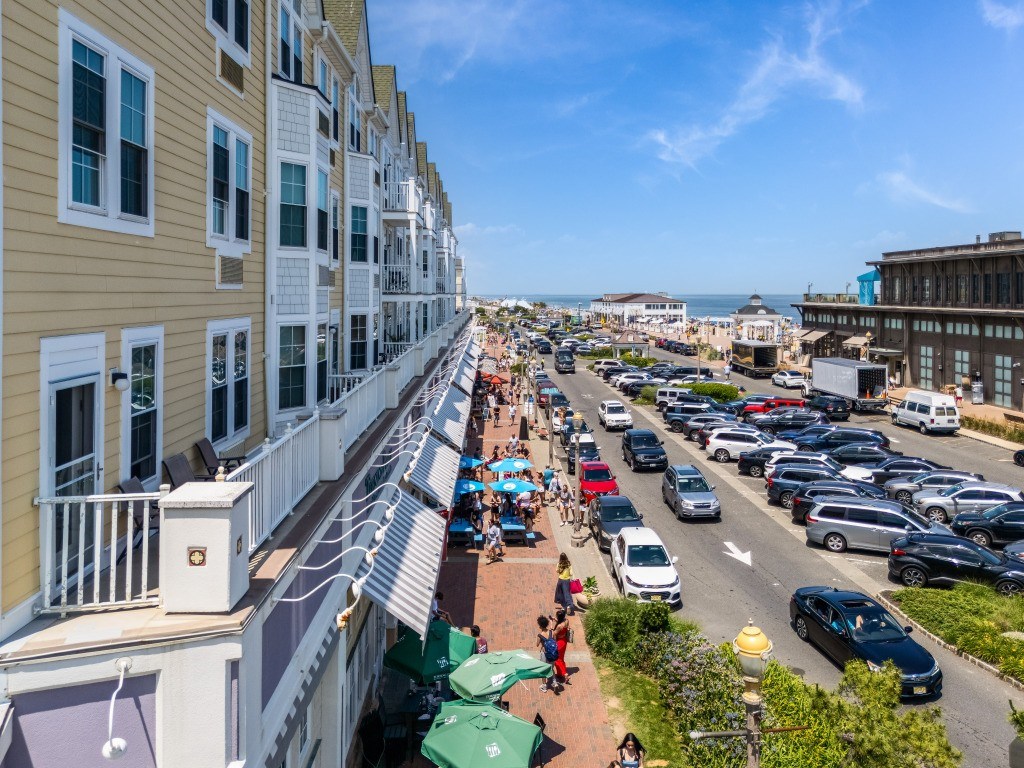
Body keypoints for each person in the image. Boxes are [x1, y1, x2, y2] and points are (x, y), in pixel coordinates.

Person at [551, 609, 570, 688]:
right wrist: (555, 619)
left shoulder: (559, 626)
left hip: (559, 643)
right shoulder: (566, 621)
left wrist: (551, 626)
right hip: (564, 641)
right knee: (561, 658)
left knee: (557, 660)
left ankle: (565, 674)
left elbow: (554, 634)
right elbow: (562, 623)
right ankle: (559, 674)